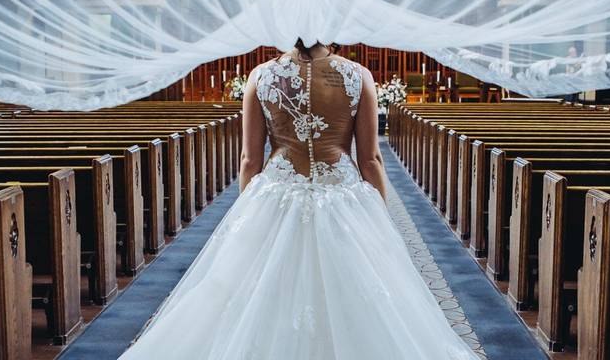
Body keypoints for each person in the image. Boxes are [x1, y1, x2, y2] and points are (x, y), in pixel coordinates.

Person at [119, 40, 478, 359]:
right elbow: (370, 160)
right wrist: (381, 218)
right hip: (342, 194)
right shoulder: (358, 75)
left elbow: (249, 160)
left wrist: (248, 213)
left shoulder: (261, 76)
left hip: (276, 192)